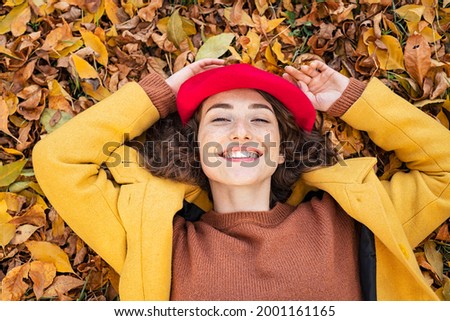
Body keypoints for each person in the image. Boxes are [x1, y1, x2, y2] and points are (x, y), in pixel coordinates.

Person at [32, 58, 450, 301]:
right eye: (220, 119)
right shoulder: (156, 238)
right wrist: (164, 92)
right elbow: (58, 159)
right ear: (195, 147)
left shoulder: (351, 221)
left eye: (259, 119)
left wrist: (350, 100)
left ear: (283, 150)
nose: (240, 132)